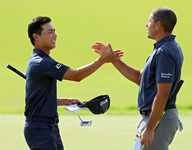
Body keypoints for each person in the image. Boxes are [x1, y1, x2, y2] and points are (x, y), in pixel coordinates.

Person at [24, 16, 123, 150]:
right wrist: (101, 60)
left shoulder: (42, 60)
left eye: (54, 31)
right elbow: (76, 76)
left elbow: (40, 99)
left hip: (48, 127)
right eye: (50, 32)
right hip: (40, 129)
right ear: (36, 37)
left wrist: (66, 101)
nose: (55, 35)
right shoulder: (42, 62)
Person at [91, 7, 183, 150]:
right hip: (157, 118)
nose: (147, 25)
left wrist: (149, 128)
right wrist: (114, 59)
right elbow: (140, 79)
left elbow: (163, 94)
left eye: (149, 21)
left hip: (159, 119)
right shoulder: (163, 48)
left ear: (158, 25)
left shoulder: (164, 52)